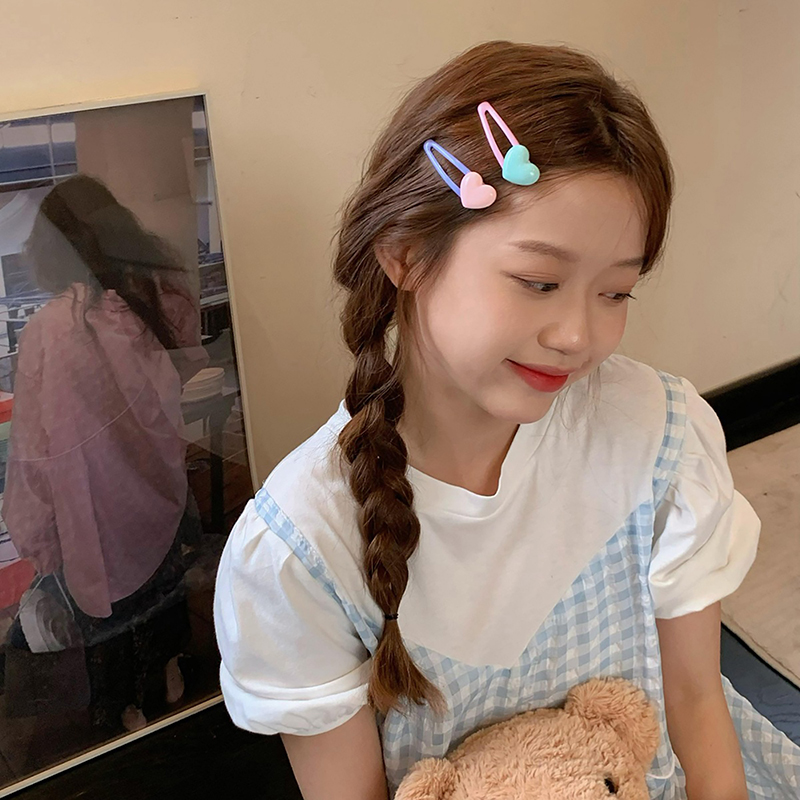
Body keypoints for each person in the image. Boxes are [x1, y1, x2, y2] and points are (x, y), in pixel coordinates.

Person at [212, 41, 800, 799]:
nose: (578, 336)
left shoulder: (659, 436)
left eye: (615, 293)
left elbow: (694, 700)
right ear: (405, 253)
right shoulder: (304, 548)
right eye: (539, 281)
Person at [4, 174, 208, 732]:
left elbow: (34, 451)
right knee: (165, 598)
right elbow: (187, 367)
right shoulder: (159, 298)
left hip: (94, 518)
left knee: (109, 626)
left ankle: (124, 710)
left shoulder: (51, 330)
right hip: (161, 494)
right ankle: (169, 675)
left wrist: (35, 532)